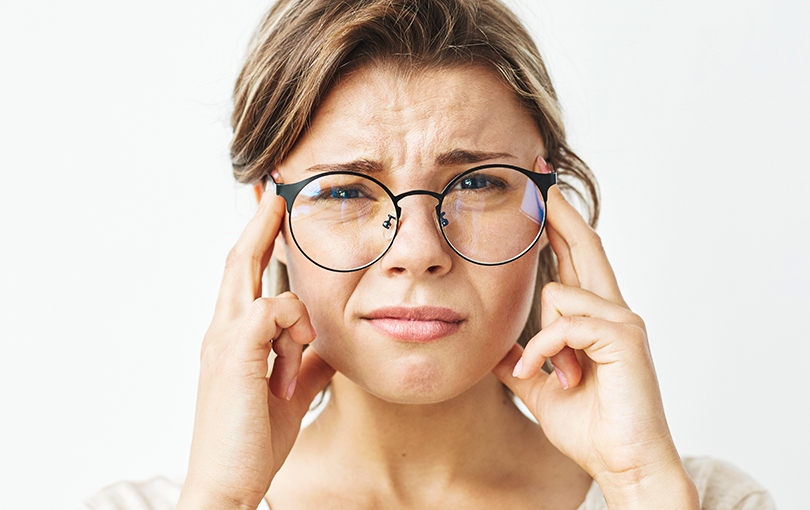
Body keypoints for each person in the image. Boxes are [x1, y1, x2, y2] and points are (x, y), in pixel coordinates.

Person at [81, 0, 776, 509]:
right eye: (346, 190)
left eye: (476, 183)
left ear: (550, 207)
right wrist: (224, 501)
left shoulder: (696, 499)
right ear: (274, 221)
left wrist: (639, 488)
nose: (417, 253)